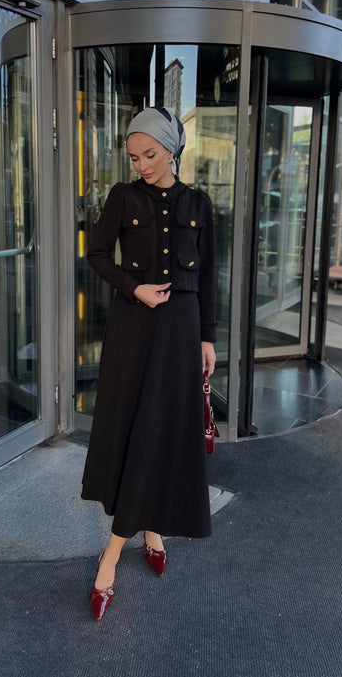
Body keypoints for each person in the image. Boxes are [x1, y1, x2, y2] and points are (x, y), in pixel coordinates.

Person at [81, 106, 217, 621]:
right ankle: (117, 550)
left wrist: (207, 338)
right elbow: (97, 255)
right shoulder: (123, 197)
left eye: (150, 154)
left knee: (162, 430)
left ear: (172, 149)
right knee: (134, 429)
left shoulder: (199, 204)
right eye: (135, 157)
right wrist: (133, 287)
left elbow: (209, 276)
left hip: (181, 332)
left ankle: (144, 534)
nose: (142, 165)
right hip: (134, 330)